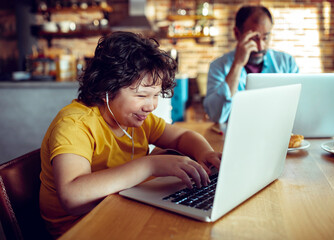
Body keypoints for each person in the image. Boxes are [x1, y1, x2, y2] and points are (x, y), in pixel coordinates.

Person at [39, 31, 221, 238]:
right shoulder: (74, 124)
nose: (151, 106)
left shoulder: (135, 119)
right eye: (142, 95)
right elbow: (72, 197)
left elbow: (181, 137)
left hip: (121, 207)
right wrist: (149, 165)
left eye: (155, 95)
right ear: (105, 88)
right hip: (79, 227)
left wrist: (205, 152)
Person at [203, 5, 299, 123]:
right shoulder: (218, 67)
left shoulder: (286, 63)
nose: (260, 47)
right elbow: (217, 116)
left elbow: (300, 108)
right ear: (237, 34)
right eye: (254, 38)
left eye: (265, 38)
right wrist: (237, 64)